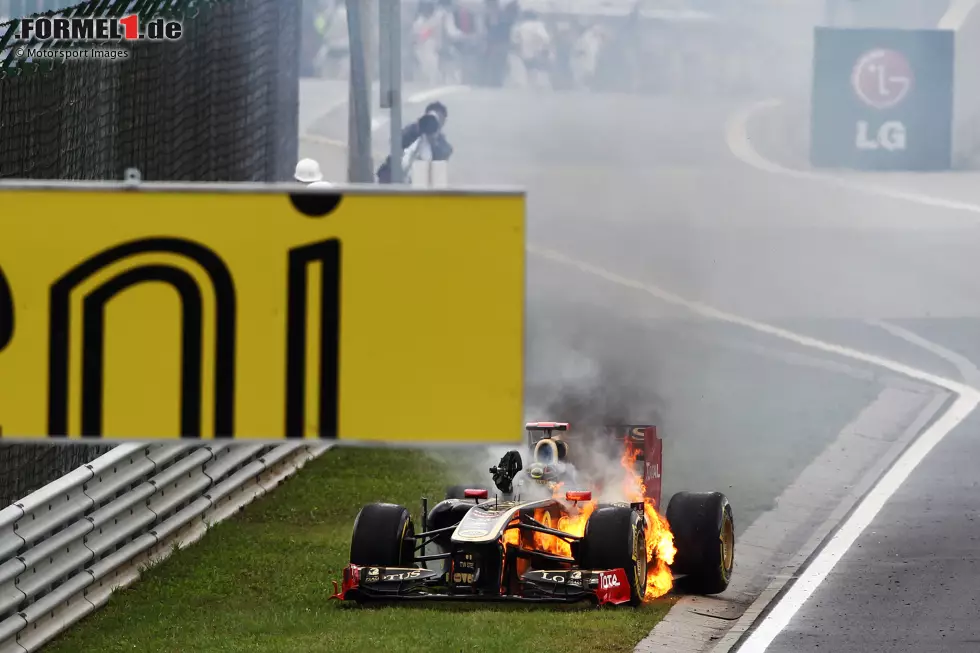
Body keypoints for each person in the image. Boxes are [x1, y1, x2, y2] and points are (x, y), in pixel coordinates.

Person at [376, 101, 453, 184]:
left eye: (439, 119)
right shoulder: (413, 130)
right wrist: (418, 129)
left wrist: (433, 141)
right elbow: (395, 142)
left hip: (419, 184)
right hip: (394, 179)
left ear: (443, 122)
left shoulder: (443, 144)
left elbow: (442, 158)